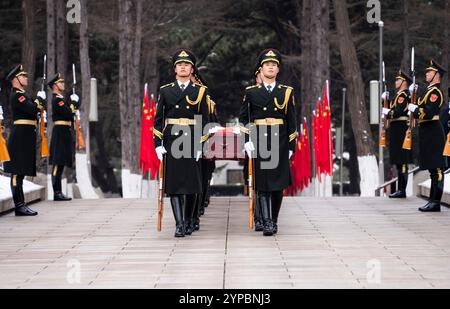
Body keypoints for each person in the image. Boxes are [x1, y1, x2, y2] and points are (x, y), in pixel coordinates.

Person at [239, 49, 297, 236]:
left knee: (277, 185)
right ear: (261, 69)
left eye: (274, 65)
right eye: (267, 65)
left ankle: (274, 219)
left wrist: (290, 146)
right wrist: (247, 140)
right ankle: (267, 222)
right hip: (259, 139)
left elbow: (292, 121)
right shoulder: (251, 92)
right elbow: (244, 119)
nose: (270, 67)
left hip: (279, 140)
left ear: (278, 70)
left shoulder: (286, 92)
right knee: (262, 184)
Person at [153, 49, 210, 237]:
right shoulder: (166, 90)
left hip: (192, 137)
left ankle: (189, 220)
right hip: (173, 138)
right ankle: (179, 224)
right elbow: (158, 119)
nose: (183, 67)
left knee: (192, 186)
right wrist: (158, 143)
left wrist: (201, 145)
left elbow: (204, 120)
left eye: (186, 64)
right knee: (175, 185)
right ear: (175, 68)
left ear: (192, 69)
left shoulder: (200, 91)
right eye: (179, 64)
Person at [3, 65, 46, 216]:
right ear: (16, 79)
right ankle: (19, 205)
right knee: (16, 173)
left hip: (24, 137)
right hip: (19, 139)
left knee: (20, 173)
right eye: (23, 76)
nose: (26, 78)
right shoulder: (17, 95)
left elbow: (33, 112)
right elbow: (33, 109)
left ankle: (21, 205)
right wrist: (39, 100)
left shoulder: (23, 95)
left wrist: (38, 103)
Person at [408, 60, 447, 212]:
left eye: (429, 72)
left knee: (437, 169)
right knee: (432, 169)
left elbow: (428, 112)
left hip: (433, 131)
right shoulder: (429, 91)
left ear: (436, 75)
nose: (426, 73)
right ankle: (432, 200)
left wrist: (415, 110)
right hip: (427, 131)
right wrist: (414, 95)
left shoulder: (435, 93)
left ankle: (435, 202)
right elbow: (421, 104)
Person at [48, 73, 80, 201]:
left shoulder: (61, 99)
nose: (63, 84)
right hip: (60, 133)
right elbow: (68, 113)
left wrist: (74, 103)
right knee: (57, 163)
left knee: (61, 164)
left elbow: (71, 114)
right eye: (60, 82)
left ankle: (59, 192)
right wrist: (73, 102)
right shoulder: (57, 99)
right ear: (55, 86)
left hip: (64, 131)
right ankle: (56, 192)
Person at [381, 70, 413, 198]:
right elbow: (392, 109)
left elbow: (397, 112)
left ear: (404, 82)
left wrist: (387, 111)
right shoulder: (399, 95)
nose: (396, 82)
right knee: (399, 162)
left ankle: (402, 190)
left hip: (400, 129)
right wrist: (386, 100)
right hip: (396, 129)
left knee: (402, 161)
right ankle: (400, 189)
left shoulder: (403, 96)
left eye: (398, 80)